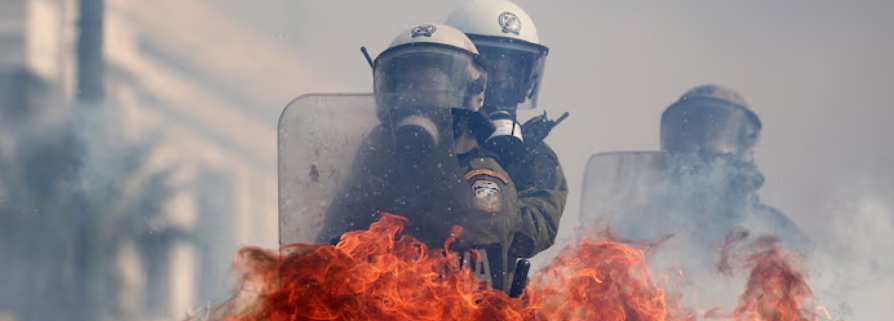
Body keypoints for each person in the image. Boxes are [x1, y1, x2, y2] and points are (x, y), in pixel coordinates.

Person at [320, 23, 557, 296]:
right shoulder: (377, 155)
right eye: (409, 85)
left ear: (469, 91)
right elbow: (335, 230)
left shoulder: (482, 169)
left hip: (460, 320)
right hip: (383, 313)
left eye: (433, 85)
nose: (420, 97)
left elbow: (487, 236)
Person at [445, 0, 568, 284]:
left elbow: (533, 234)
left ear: (528, 81)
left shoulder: (537, 157)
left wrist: (496, 190)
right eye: (490, 66)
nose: (501, 80)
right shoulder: (425, 138)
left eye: (512, 71)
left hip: (492, 310)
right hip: (409, 297)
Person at [615, 85, 810, 258]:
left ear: (743, 138)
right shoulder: (644, 221)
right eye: (694, 125)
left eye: (717, 124)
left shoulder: (768, 226)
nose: (705, 135)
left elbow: (819, 278)